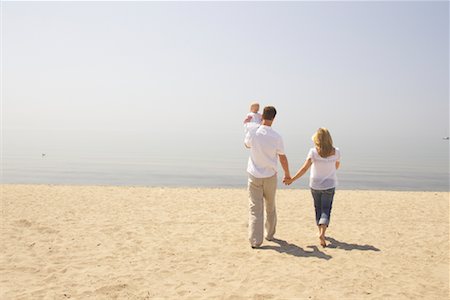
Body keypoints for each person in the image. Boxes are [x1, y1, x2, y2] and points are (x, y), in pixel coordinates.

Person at [284, 128, 341, 248]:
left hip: (315, 185)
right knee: (326, 209)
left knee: (318, 208)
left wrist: (292, 179)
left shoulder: (313, 152)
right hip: (329, 185)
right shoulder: (336, 152)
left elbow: (304, 169)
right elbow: (336, 165)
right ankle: (322, 233)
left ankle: (320, 231)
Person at [244, 106, 291, 248]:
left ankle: (255, 241)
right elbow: (282, 158)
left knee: (255, 208)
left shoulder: (253, 132)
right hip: (270, 176)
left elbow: (246, 145)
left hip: (254, 176)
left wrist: (250, 123)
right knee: (270, 206)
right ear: (274, 118)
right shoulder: (277, 137)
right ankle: (269, 234)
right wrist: (287, 174)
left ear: (262, 116)